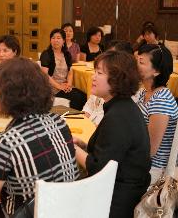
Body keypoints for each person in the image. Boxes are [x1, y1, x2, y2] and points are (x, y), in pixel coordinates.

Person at [0, 57, 79, 218]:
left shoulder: (6, 142)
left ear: (8, 94)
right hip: (67, 209)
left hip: (30, 213)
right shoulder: (58, 122)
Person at [74, 51, 151, 218]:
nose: (93, 77)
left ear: (118, 79)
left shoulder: (118, 115)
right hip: (122, 191)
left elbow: (98, 169)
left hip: (117, 201)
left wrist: (71, 147)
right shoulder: (123, 107)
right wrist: (84, 146)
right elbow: (112, 153)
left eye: (99, 73)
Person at [136, 44, 178, 183]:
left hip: (152, 173)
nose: (135, 64)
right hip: (140, 162)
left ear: (156, 71)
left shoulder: (161, 100)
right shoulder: (144, 92)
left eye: (141, 62)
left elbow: (149, 150)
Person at [82, 41, 135, 126]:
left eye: (99, 73)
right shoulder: (103, 90)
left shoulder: (120, 111)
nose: (92, 77)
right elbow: (89, 106)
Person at [40, 28, 86, 110]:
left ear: (64, 40)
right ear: (50, 40)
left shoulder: (67, 54)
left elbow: (70, 72)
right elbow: (45, 75)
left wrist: (68, 84)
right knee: (76, 98)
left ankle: (79, 119)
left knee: (83, 95)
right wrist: (59, 86)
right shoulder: (46, 54)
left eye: (58, 38)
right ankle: (70, 118)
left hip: (63, 85)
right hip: (51, 87)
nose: (55, 40)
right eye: (53, 38)